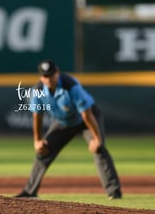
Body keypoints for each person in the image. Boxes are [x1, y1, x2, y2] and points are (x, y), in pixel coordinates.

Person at [15, 59, 122, 199]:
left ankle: (114, 192)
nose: (49, 79)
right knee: (43, 151)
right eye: (45, 76)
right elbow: (37, 116)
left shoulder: (70, 85)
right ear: (41, 77)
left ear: (57, 73)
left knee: (99, 148)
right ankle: (30, 192)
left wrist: (97, 139)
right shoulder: (38, 90)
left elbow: (86, 114)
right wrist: (38, 140)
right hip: (63, 122)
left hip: (87, 119)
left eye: (51, 75)